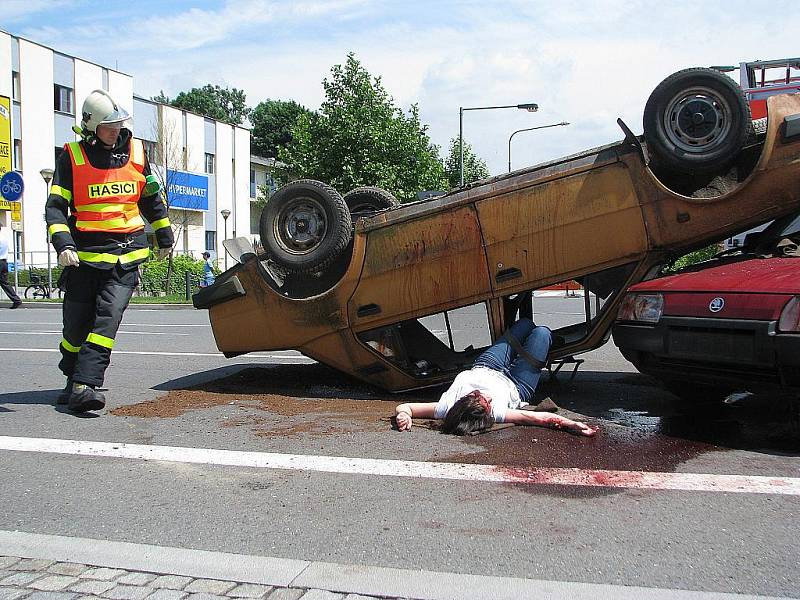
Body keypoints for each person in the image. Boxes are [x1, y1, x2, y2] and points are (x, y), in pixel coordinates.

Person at [46, 89, 173, 413]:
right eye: (108, 125)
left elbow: (151, 200)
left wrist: (164, 235)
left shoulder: (137, 153)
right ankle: (73, 376)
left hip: (126, 257)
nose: (115, 130)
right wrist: (63, 244)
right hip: (84, 259)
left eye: (118, 124)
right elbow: (56, 207)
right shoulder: (71, 157)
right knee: (74, 328)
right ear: (91, 127)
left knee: (106, 320)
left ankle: (85, 385)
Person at [394, 318, 597, 436]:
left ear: (467, 399)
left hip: (487, 366)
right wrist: (571, 425)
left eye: (482, 398)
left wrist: (403, 415)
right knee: (541, 333)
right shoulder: (495, 413)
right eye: (489, 404)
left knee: (524, 324)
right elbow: (538, 418)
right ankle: (546, 342)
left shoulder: (445, 408)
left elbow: (406, 407)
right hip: (518, 383)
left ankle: (533, 342)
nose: (489, 398)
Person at [0, 223, 22, 308]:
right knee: (4, 283)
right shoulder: (3, 238)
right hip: (4, 262)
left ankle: (16, 300)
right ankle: (16, 300)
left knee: (4, 283)